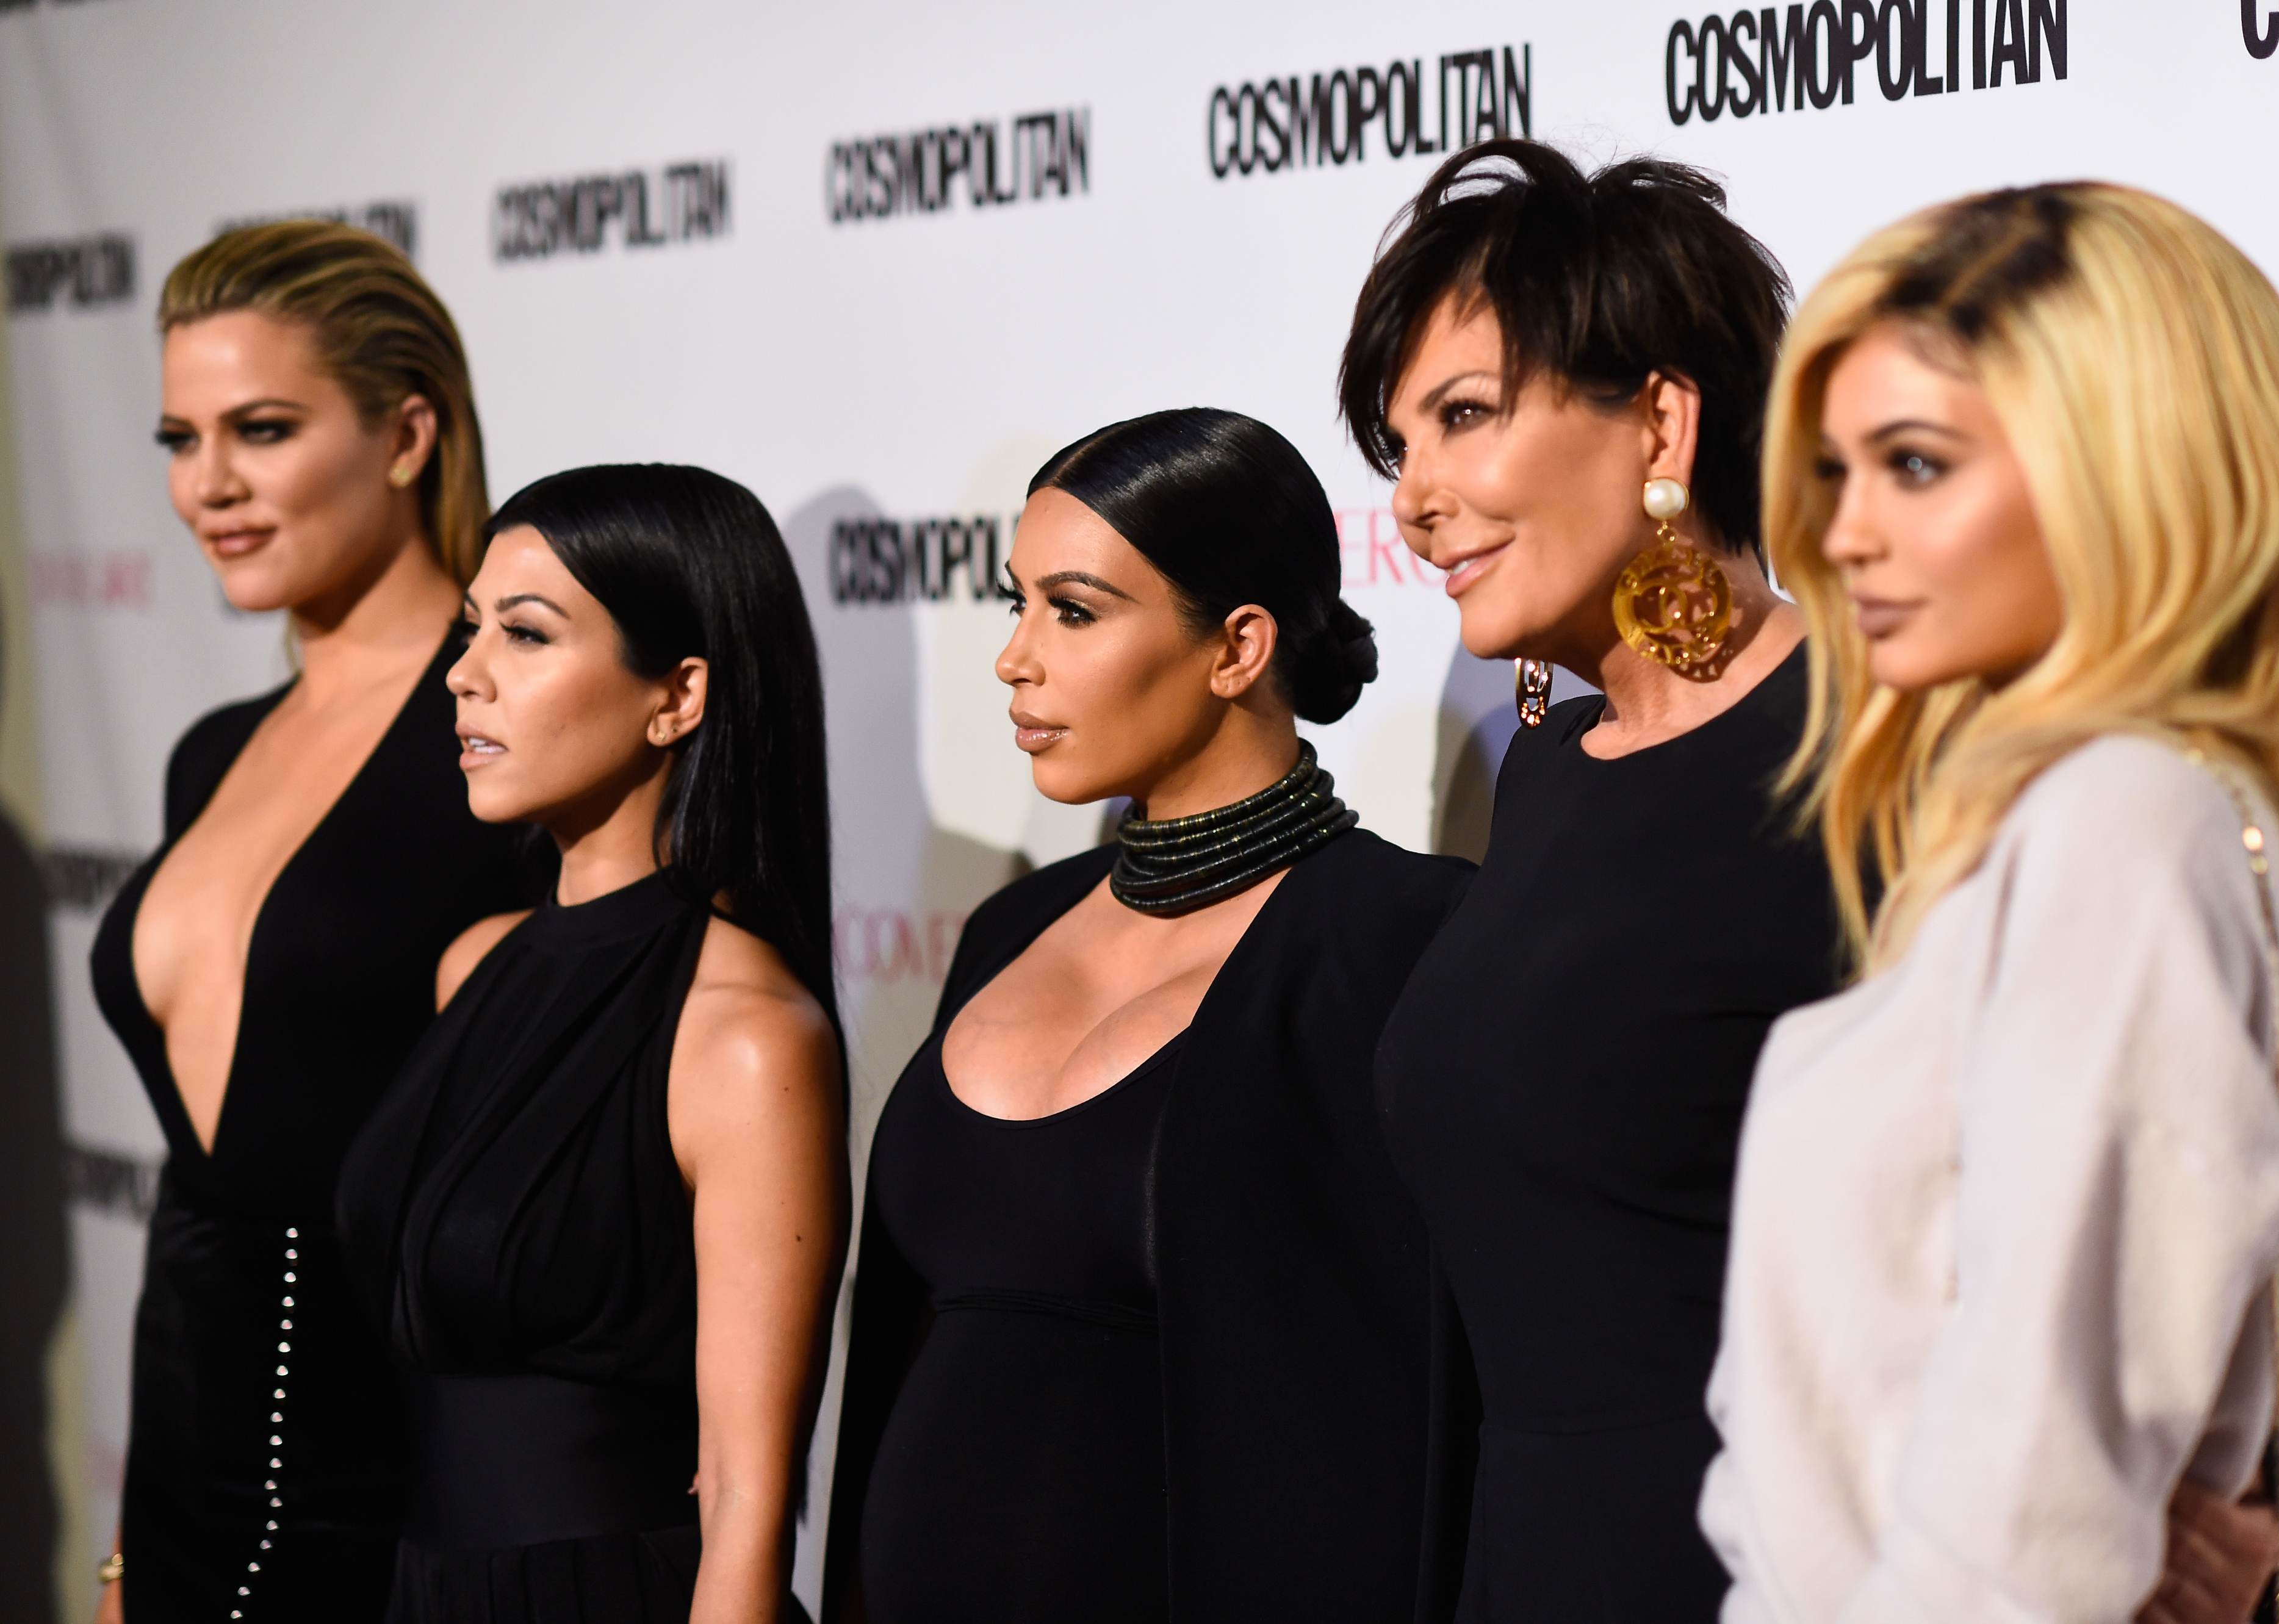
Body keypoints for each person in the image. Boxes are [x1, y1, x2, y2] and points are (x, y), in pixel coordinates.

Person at [1698, 184, 2279, 1623]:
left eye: (1914, 463)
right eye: (1834, 469)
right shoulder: (2073, 818)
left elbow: (2016, 1519)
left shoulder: (2118, 822)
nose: (1843, 531)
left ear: (2124, 466)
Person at [822, 408, 1475, 1624]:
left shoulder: (1401, 940)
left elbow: (1410, 1410)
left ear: (1236, 645)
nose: (1015, 657)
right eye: (1014, 603)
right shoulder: (1007, 928)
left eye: (1071, 609)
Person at [1345, 142, 1829, 1623]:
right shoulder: (1547, 759)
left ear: (1659, 419)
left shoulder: (1870, 754)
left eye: (1465, 416)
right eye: (1399, 444)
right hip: (1527, 1548)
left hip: (1770, 1559)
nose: (1417, 498)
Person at [90, 220, 528, 1624]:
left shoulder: (515, 738)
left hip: (403, 1500)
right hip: (179, 1477)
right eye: (179, 438)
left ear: (408, 435)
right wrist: (123, 1551)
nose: (205, 484)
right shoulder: (212, 751)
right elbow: (202, 1202)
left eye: (261, 429)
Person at [334, 464, 848, 1624]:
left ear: (677, 695)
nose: (464, 674)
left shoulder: (745, 1036)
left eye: (524, 634)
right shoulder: (473, 964)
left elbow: (749, 1508)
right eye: (472, 630)